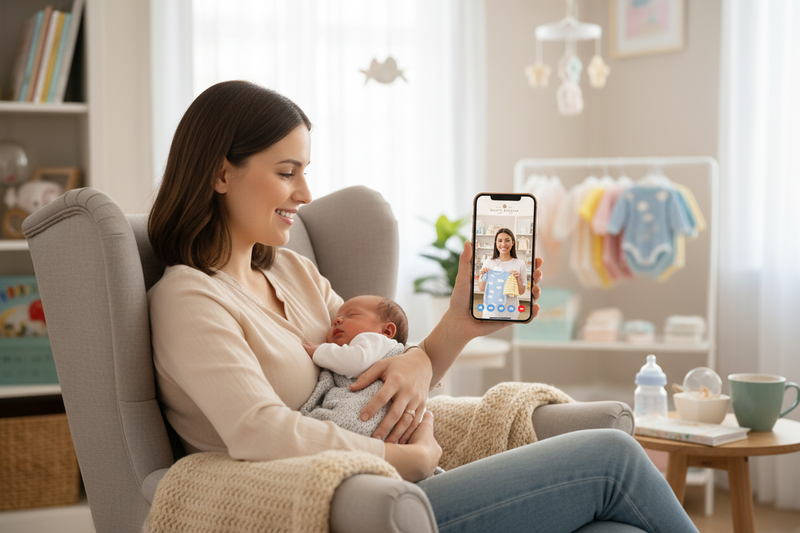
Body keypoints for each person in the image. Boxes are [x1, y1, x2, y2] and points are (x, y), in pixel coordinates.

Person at [147, 80, 698, 532]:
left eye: (305, 172)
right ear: (221, 173)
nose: (306, 193)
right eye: (287, 172)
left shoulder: (295, 273)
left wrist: (456, 325)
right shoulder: (189, 298)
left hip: (398, 486)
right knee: (611, 457)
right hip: (356, 504)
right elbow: (256, 431)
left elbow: (382, 363)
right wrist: (409, 459)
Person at [300, 295, 410, 439]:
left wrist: (319, 351)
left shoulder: (378, 341)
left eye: (352, 315)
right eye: (334, 322)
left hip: (365, 416)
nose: (337, 321)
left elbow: (355, 361)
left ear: (387, 331)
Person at [478, 228, 527, 320]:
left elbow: (521, 292)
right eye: (500, 241)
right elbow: (481, 288)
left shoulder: (520, 264)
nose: (503, 244)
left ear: (513, 242)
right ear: (495, 243)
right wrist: (482, 275)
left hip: (510, 311)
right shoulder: (488, 262)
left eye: (507, 240)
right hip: (490, 312)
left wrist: (516, 279)